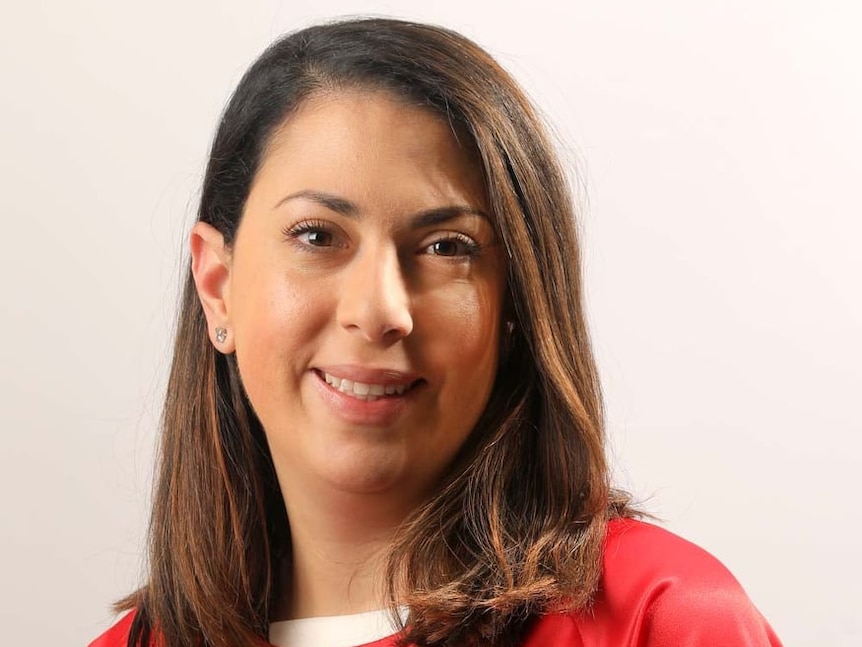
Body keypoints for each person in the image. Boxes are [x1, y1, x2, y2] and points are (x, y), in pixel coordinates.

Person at [90, 17, 782, 647]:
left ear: (517, 301)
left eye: (447, 246)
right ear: (217, 287)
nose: (380, 309)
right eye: (317, 235)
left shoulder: (659, 618)